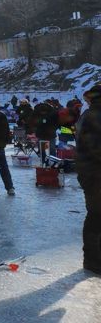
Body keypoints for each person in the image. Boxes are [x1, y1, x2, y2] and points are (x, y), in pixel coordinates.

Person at [76, 83, 101, 275]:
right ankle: (92, 260)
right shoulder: (94, 116)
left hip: (92, 172)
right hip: (94, 174)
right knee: (96, 215)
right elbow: (96, 148)